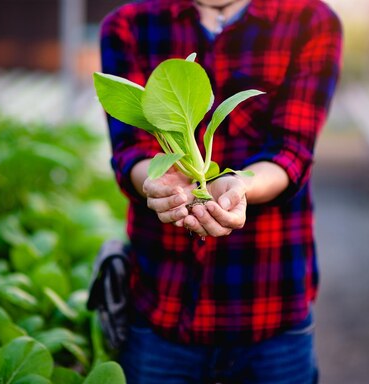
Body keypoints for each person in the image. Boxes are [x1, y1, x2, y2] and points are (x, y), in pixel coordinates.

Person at [99, 0, 342, 382]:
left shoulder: (310, 20)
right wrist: (160, 181)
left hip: (270, 306)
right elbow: (131, 150)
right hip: (162, 307)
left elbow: (293, 150)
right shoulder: (129, 24)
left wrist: (241, 185)